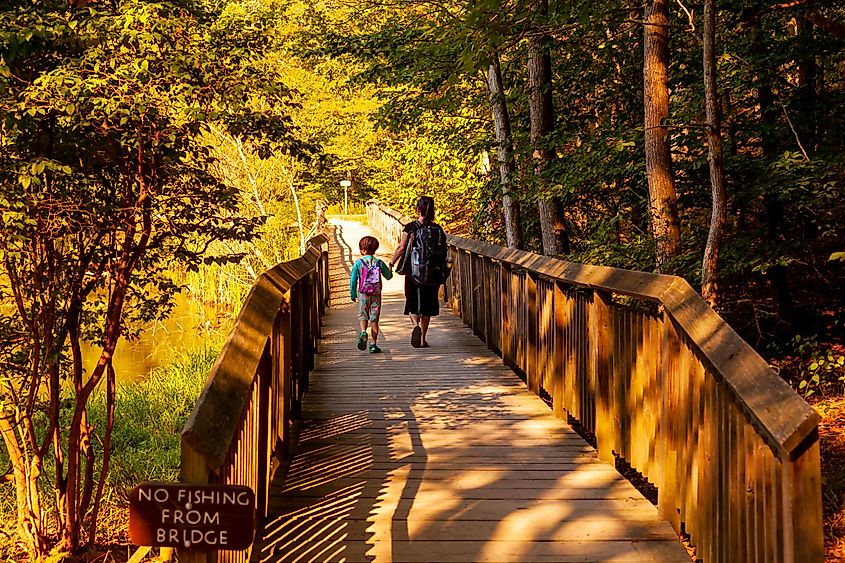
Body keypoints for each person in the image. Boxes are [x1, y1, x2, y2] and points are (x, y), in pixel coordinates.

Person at [389, 196, 447, 348]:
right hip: (432, 273)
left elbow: (402, 248)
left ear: (417, 209)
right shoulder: (438, 229)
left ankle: (415, 325)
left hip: (413, 270)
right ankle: (423, 339)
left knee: (412, 301)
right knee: (427, 304)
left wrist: (391, 262)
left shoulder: (410, 227)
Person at [350, 235, 393, 353]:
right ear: (375, 249)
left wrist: (353, 294)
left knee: (363, 316)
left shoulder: (358, 263)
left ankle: (363, 332)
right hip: (376, 295)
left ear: (361, 249)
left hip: (363, 294)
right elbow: (388, 276)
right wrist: (390, 268)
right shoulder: (379, 263)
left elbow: (353, 280)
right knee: (374, 319)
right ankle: (373, 344)